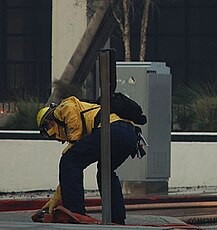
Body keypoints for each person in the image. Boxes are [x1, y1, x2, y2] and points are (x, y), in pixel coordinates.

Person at [34, 94, 146, 224]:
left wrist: (73, 140)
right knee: (105, 172)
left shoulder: (61, 109)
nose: (54, 138)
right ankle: (117, 218)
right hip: (129, 135)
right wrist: (56, 199)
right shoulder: (83, 122)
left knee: (69, 160)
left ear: (48, 122)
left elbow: (70, 109)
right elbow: (69, 177)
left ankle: (74, 212)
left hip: (112, 129)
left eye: (46, 132)